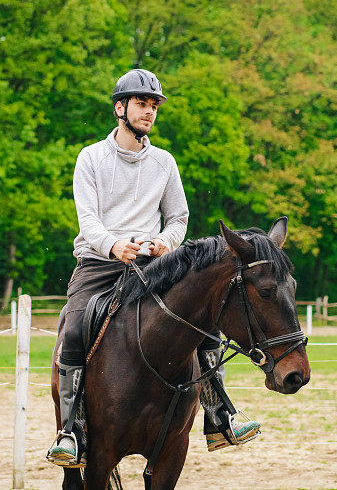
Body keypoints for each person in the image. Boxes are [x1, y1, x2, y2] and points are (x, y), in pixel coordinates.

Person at [47, 68, 261, 468]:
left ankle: (220, 413)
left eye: (153, 105)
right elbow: (88, 220)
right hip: (100, 263)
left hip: (154, 265)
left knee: (203, 320)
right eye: (141, 103)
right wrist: (114, 245)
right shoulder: (90, 157)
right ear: (120, 108)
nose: (149, 111)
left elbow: (178, 217)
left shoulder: (164, 162)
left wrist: (166, 242)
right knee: (74, 325)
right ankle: (72, 430)